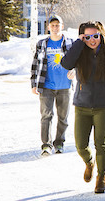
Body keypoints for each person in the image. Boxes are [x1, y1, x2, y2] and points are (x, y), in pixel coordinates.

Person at [61, 21, 105, 194]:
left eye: (95, 36)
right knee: (81, 146)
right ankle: (89, 162)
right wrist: (79, 43)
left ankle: (101, 178)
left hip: (102, 106)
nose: (92, 40)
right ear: (82, 37)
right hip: (82, 106)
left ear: (101, 35)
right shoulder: (79, 52)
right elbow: (66, 63)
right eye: (87, 37)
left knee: (100, 144)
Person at [30, 15, 74, 156]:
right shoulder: (42, 43)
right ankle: (46, 145)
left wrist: (75, 70)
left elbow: (78, 62)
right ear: (48, 27)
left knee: (63, 118)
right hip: (46, 86)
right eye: (52, 25)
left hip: (65, 86)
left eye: (57, 25)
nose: (55, 28)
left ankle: (59, 143)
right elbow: (35, 64)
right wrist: (33, 83)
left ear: (62, 26)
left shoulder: (70, 43)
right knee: (46, 116)